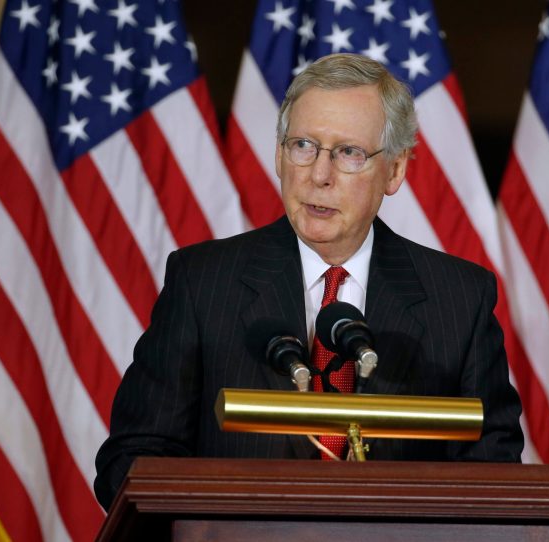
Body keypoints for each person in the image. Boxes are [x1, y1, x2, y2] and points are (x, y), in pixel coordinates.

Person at [94, 53, 523, 510]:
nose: (319, 176)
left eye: (349, 153)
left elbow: (493, 476)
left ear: (395, 171)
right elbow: (131, 462)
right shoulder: (202, 283)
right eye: (303, 146)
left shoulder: (458, 299)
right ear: (279, 155)